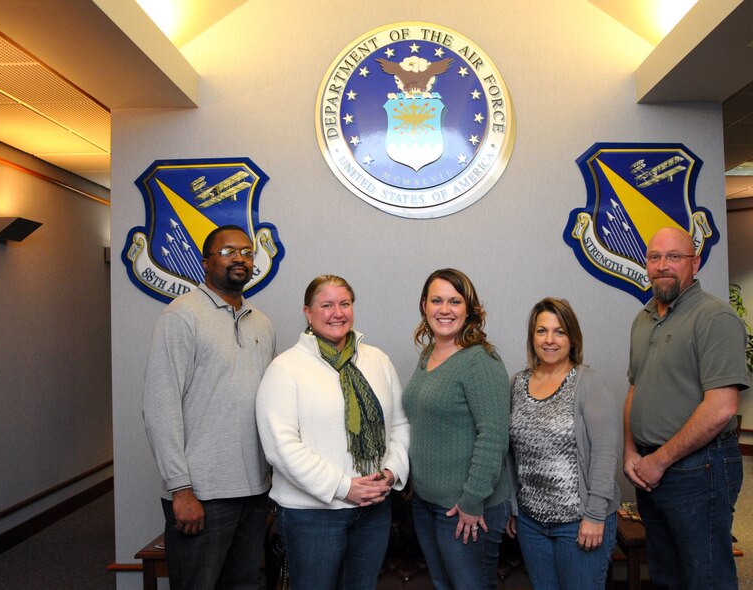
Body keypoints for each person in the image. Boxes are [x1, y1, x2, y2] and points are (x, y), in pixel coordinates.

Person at [142, 225, 276, 590]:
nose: (240, 259)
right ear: (205, 262)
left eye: (247, 252)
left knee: (243, 585)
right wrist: (180, 488)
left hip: (253, 492)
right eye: (228, 251)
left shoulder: (261, 322)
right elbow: (160, 405)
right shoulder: (182, 316)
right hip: (201, 495)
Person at [255, 275, 409, 590]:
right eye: (326, 305)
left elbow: (400, 425)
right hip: (312, 516)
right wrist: (342, 486)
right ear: (308, 313)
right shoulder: (286, 369)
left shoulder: (377, 360)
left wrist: (391, 472)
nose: (337, 313)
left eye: (344, 304)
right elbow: (281, 447)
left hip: (373, 512)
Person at [624, 227, 750, 590]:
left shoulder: (714, 318)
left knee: (705, 577)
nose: (663, 265)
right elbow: (636, 387)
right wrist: (631, 452)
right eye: (654, 257)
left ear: (694, 262)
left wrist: (659, 460)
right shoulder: (644, 317)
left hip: (700, 469)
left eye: (674, 257)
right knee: (665, 574)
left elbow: (722, 407)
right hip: (649, 470)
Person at [401, 268, 511, 590]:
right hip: (426, 503)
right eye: (437, 300)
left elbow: (493, 437)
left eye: (455, 301)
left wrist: (472, 501)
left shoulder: (481, 361)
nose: (445, 309)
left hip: (466, 509)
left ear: (469, 309)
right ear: (424, 305)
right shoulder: (428, 355)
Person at [506, 297, 621, 589]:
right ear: (532, 337)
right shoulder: (517, 384)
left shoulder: (587, 383)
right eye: (542, 331)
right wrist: (514, 509)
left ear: (572, 337)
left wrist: (595, 515)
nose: (550, 340)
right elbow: (510, 455)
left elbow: (605, 454)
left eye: (559, 332)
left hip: (579, 522)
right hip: (532, 523)